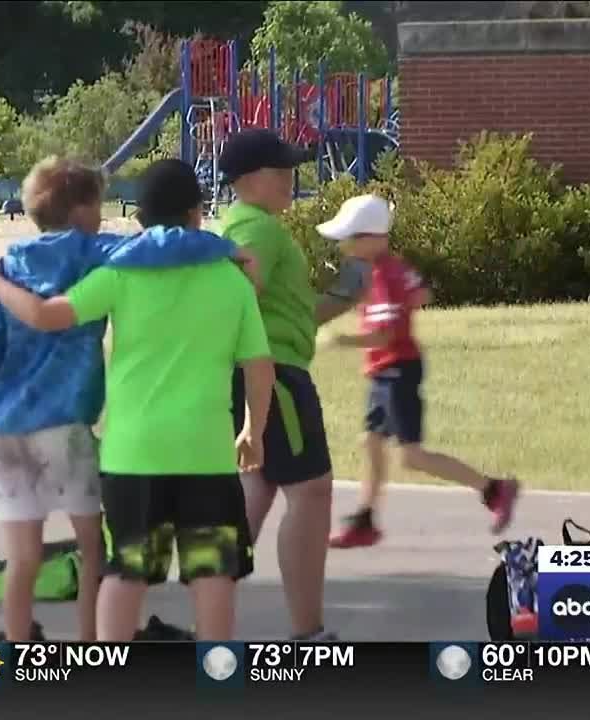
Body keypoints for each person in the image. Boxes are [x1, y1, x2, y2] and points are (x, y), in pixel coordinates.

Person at [0, 159, 276, 642]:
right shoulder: (229, 279)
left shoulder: (120, 274)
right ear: (199, 214)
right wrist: (252, 431)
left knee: (128, 570)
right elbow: (259, 366)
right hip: (206, 453)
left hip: (133, 453)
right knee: (212, 570)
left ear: (140, 217)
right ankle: (216, 675)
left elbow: (49, 316)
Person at [315, 195, 521, 547]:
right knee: (371, 442)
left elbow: (386, 334)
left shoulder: (383, 276)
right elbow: (421, 293)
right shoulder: (389, 270)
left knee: (412, 456)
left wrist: (341, 340)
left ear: (374, 238)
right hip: (385, 371)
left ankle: (494, 489)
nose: (345, 246)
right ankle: (365, 519)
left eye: (352, 237)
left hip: (397, 371)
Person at [215, 129, 347, 640]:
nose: (292, 177)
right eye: (281, 170)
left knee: (258, 486)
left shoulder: (251, 224)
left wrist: (346, 292)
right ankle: (307, 634)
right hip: (275, 374)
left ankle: (210, 616)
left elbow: (291, 312)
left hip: (267, 367)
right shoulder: (256, 228)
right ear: (249, 179)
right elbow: (236, 292)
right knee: (310, 491)